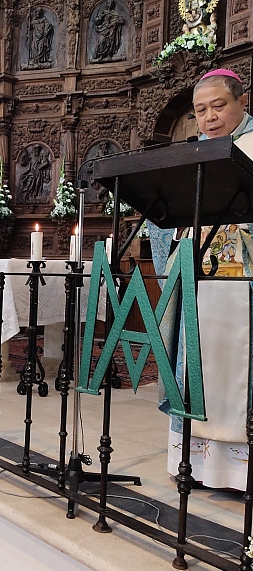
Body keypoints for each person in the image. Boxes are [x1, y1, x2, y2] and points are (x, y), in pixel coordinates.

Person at [150, 68, 253, 490]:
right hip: (199, 286)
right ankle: (196, 465)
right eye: (200, 110)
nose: (209, 117)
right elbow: (161, 218)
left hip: (243, 289)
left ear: (242, 102)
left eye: (219, 106)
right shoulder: (193, 154)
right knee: (194, 367)